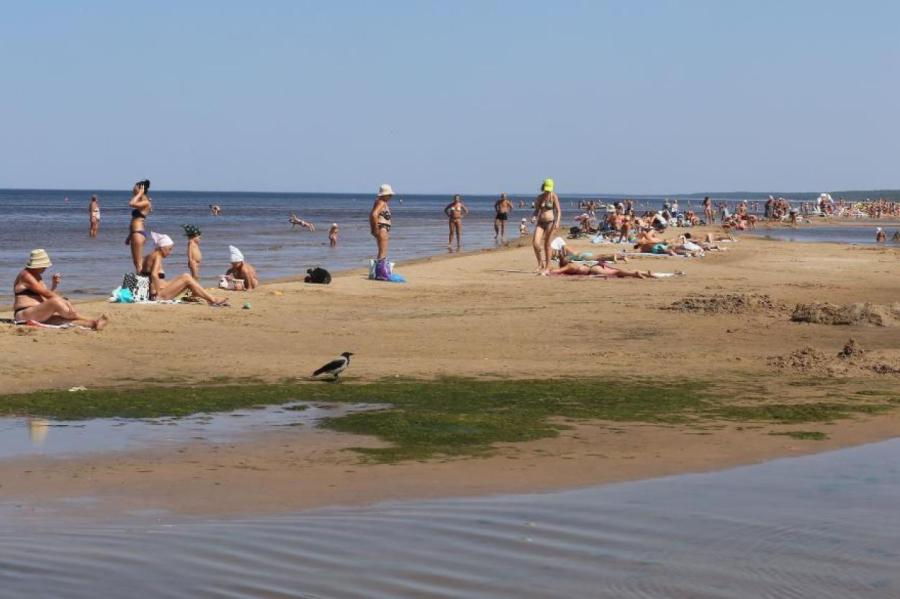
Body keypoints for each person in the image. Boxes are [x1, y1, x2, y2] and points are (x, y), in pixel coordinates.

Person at [12, 249, 109, 329]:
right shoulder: (26, 275)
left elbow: (45, 297)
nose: (46, 268)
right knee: (56, 301)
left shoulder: (36, 276)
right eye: (44, 265)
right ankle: (90, 319)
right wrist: (66, 302)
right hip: (24, 314)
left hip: (38, 312)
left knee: (65, 321)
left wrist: (54, 285)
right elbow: (48, 295)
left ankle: (93, 324)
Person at [140, 233, 228, 305]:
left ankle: (205, 297)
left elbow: (144, 274)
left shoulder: (149, 256)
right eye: (169, 249)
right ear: (162, 248)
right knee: (186, 278)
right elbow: (154, 275)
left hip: (155, 292)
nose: (170, 252)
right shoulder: (157, 256)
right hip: (159, 295)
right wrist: (158, 293)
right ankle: (212, 299)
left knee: (185, 276)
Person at [532, 178, 561, 274]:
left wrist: (557, 221)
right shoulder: (539, 197)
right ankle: (540, 264)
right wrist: (534, 217)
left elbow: (558, 211)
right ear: (543, 187)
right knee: (535, 243)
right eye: (546, 189)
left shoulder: (553, 196)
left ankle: (548, 267)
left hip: (550, 222)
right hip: (540, 222)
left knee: (547, 244)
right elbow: (536, 210)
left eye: (549, 189)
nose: (547, 191)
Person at [551, 253, 651, 279]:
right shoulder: (576, 263)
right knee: (618, 270)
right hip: (595, 266)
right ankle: (646, 273)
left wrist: (549, 270)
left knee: (617, 272)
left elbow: (556, 272)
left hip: (594, 270)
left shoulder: (569, 267)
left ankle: (636, 273)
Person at [127, 180, 152, 272]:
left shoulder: (145, 202)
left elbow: (131, 203)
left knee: (138, 264)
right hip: (134, 233)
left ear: (141, 189)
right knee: (136, 262)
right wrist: (129, 236)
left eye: (135, 187)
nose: (133, 189)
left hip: (138, 233)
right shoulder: (144, 200)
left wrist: (139, 193)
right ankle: (140, 285)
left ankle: (142, 285)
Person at [370, 184, 394, 262]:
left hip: (382, 228)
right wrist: (375, 228)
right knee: (383, 252)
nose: (391, 197)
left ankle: (379, 270)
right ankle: (380, 271)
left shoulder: (380, 202)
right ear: (384, 195)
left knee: (381, 251)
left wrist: (373, 229)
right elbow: (374, 214)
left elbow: (372, 215)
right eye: (389, 195)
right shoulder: (381, 202)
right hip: (382, 228)